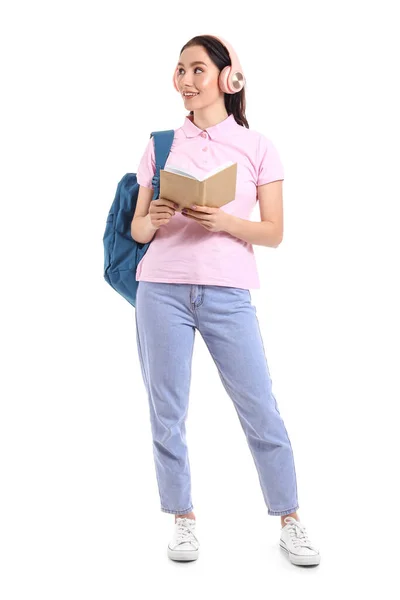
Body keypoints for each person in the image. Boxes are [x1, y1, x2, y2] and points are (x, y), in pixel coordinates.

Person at [131, 34, 321, 567]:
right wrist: (155, 219)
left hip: (227, 293)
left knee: (260, 408)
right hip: (160, 290)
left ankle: (290, 519)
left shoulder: (259, 147)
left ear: (226, 77)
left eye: (197, 70)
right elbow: (138, 228)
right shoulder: (160, 144)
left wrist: (225, 222)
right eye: (179, 70)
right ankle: (183, 519)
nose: (185, 81)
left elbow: (275, 232)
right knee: (166, 411)